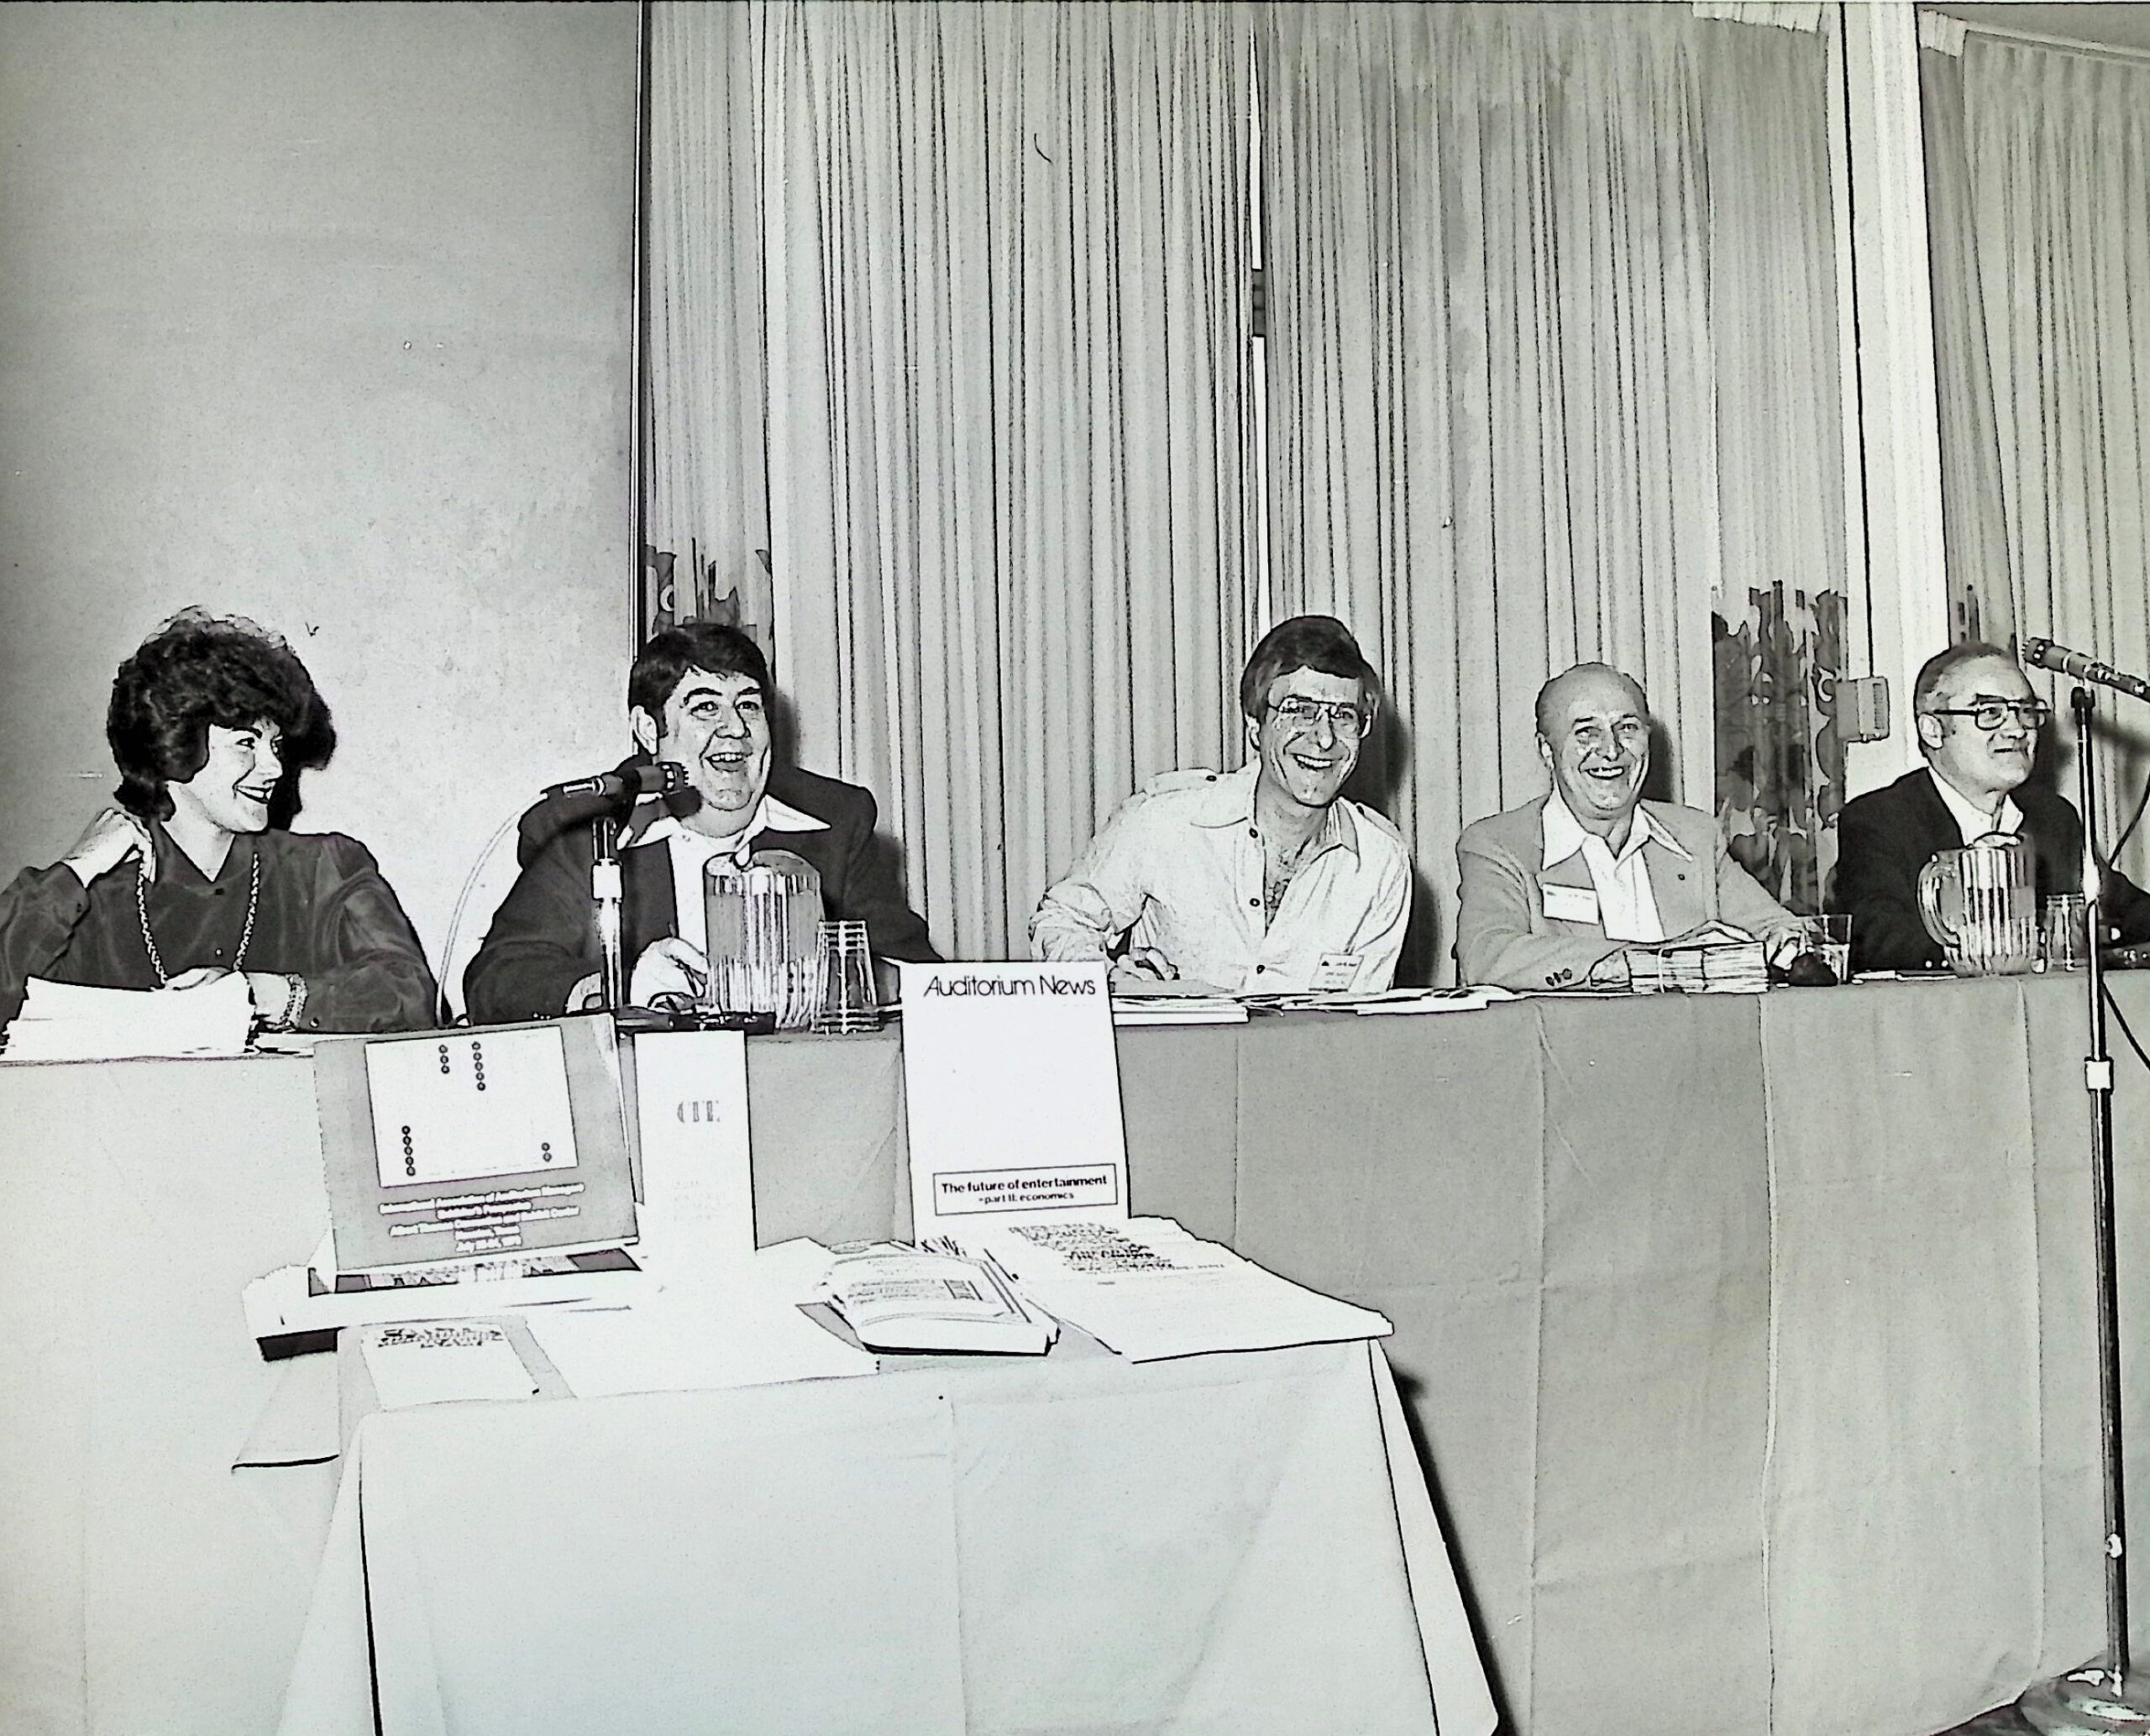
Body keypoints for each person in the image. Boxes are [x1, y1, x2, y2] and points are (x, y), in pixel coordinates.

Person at [465, 621, 938, 1023]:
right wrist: (615, 989)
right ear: (650, 731)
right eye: (706, 707)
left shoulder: (836, 825)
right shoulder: (596, 835)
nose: (735, 728)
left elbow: (920, 975)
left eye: (749, 705)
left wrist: (834, 978)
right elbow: (498, 977)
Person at [0, 610, 436, 1032]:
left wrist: (269, 995)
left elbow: (412, 994)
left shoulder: (323, 870)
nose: (275, 769)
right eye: (247, 742)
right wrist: (75, 869)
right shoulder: (97, 895)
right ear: (176, 747)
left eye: (276, 746)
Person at [1030, 616, 1410, 993]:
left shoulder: (1380, 863)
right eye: (1300, 710)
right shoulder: (1168, 821)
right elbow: (1062, 920)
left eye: (1344, 716)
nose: (1324, 738)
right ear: (1254, 725)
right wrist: (1111, 982)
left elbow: (1360, 1029)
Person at [1455, 663, 1806, 990]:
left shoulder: (1695, 836)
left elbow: (1774, 926)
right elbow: (1488, 955)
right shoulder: (1498, 844)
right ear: (1547, 750)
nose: (1611, 751)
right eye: (1586, 732)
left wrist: (1785, 943)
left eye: (1627, 728)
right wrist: (1648, 962)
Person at [1831, 641, 2150, 970]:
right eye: (1989, 713)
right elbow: (1882, 940)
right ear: (1933, 730)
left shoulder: (2052, 816)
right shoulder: (1879, 820)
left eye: (2026, 711)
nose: (2016, 730)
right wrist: (2020, 941)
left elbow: (2123, 908)